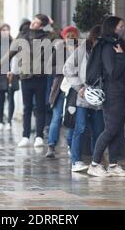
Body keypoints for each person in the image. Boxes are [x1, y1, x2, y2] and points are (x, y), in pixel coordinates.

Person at [0, 14, 55, 148]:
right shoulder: (22, 35)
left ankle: (39, 136)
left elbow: (60, 37)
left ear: (42, 25)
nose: (33, 23)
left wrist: (52, 23)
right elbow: (10, 53)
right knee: (27, 108)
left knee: (40, 108)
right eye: (33, 21)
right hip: (25, 77)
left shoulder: (47, 36)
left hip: (40, 76)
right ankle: (25, 136)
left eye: (37, 23)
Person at [87, 16, 125, 177]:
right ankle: (94, 164)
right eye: (121, 26)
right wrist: (121, 56)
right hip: (112, 93)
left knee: (118, 130)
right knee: (111, 129)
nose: (123, 28)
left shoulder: (118, 44)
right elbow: (112, 72)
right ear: (113, 27)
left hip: (120, 92)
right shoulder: (108, 46)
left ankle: (113, 165)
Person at [63, 25, 104, 172]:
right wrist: (79, 87)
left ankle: (96, 162)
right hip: (83, 96)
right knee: (79, 128)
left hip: (100, 97)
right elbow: (67, 69)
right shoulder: (82, 50)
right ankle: (76, 161)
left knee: (99, 130)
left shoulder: (105, 51)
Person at [45, 25, 79, 158]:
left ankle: (69, 145)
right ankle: (51, 146)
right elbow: (49, 68)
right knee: (58, 117)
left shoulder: (80, 50)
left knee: (70, 117)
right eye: (68, 36)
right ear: (64, 37)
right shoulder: (60, 50)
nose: (70, 38)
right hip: (60, 88)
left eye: (73, 35)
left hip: (75, 89)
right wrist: (63, 69)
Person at [0, 24, 19, 131]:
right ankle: (1, 121)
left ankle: (9, 121)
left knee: (11, 98)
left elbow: (16, 59)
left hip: (11, 74)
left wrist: (12, 70)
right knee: (0, 99)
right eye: (3, 30)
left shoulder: (13, 44)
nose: (5, 32)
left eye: (7, 30)